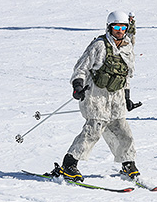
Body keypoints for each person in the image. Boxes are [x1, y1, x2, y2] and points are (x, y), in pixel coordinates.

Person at [51, 10, 141, 182]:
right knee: (94, 129)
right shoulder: (99, 45)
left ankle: (127, 162)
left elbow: (127, 75)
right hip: (96, 95)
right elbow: (81, 67)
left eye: (123, 27)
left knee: (123, 130)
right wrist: (78, 85)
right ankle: (69, 163)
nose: (120, 31)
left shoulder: (128, 48)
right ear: (109, 28)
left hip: (117, 97)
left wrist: (127, 97)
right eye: (116, 27)